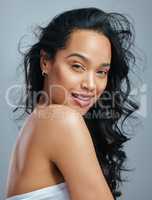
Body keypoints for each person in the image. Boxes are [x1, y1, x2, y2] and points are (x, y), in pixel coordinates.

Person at [5, 7, 139, 200]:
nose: (91, 85)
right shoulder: (61, 121)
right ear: (45, 61)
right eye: (77, 66)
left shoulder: (39, 121)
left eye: (101, 72)